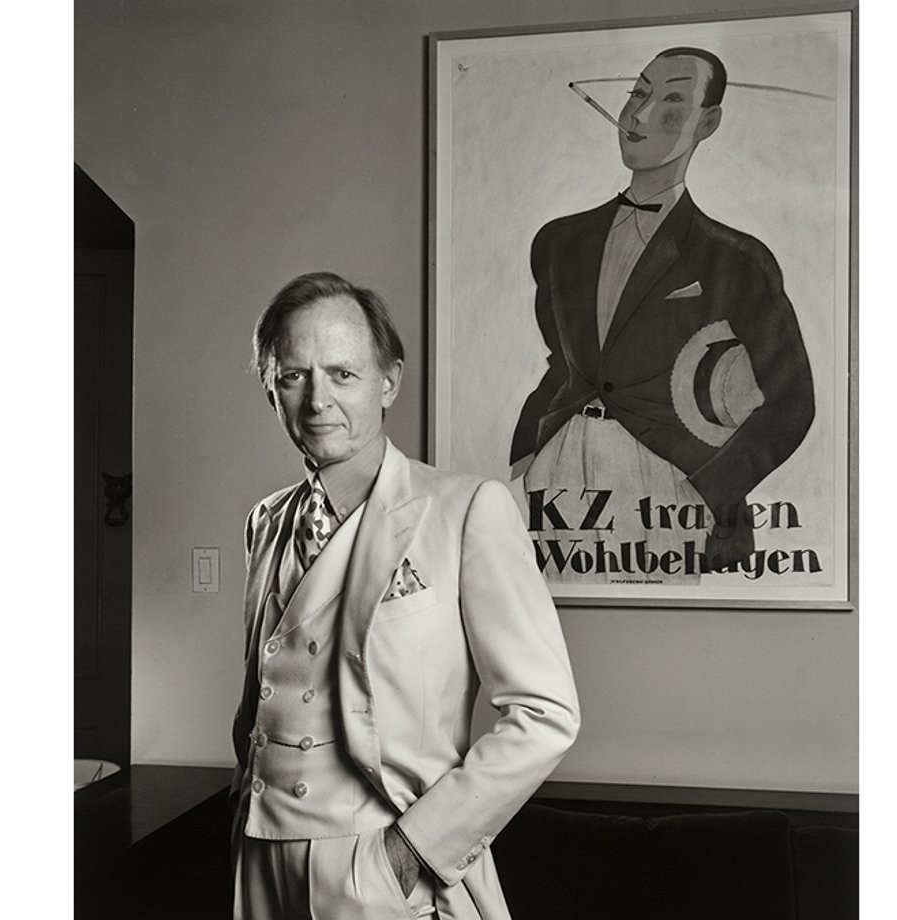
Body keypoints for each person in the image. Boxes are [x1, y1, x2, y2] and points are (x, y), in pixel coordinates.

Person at [230, 272, 580, 919]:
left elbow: (546, 714)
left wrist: (408, 852)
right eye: (294, 376)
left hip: (378, 867)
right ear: (270, 387)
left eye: (343, 374)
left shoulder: (466, 511)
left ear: (388, 382)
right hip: (258, 859)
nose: (317, 400)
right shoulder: (265, 522)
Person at [509, 47, 815, 576]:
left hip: (671, 487)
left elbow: (790, 401)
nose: (639, 116)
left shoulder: (736, 259)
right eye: (638, 94)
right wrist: (523, 460)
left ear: (708, 123)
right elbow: (567, 366)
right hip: (556, 473)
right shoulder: (559, 242)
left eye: (672, 101)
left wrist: (708, 487)